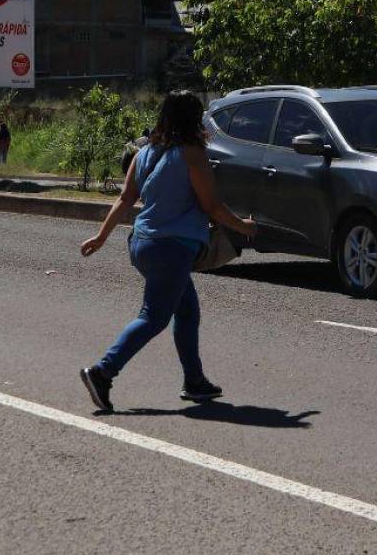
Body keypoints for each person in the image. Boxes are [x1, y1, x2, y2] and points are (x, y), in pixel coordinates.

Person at [79, 91, 256, 412]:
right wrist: (244, 227)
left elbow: (124, 199)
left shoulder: (145, 153)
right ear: (194, 119)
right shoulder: (192, 155)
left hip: (143, 243)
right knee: (154, 317)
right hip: (171, 248)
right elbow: (212, 206)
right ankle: (103, 372)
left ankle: (194, 381)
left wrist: (101, 236)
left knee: (186, 310)